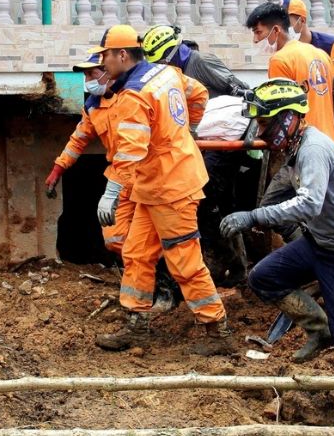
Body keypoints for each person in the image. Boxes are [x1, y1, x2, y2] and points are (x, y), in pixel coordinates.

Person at [219, 79, 334, 427]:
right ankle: (319, 329)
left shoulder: (313, 149)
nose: (261, 129)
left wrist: (254, 216)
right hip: (320, 244)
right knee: (265, 277)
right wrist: (265, 212)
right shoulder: (294, 149)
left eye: (265, 122)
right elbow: (278, 195)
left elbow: (309, 202)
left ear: (288, 118)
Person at [85, 25, 231, 354]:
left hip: (169, 187)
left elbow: (130, 151)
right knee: (137, 254)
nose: (102, 62)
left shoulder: (134, 95)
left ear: (122, 55)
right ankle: (137, 325)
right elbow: (199, 94)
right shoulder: (166, 74)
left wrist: (110, 193)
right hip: (159, 183)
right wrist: (188, 130)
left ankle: (217, 330)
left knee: (184, 261)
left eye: (105, 55)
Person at [44, 54, 196, 309]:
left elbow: (196, 95)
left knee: (164, 242)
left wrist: (190, 131)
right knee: (115, 238)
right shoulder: (94, 105)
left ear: (107, 70)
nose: (87, 80)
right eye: (85, 75)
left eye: (91, 74)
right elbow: (78, 139)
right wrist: (59, 168)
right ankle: (152, 279)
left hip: (153, 174)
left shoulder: (133, 94)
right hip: (121, 176)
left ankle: (162, 288)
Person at [141, 25, 251, 285]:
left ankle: (227, 263)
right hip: (200, 145)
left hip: (221, 143)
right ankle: (230, 264)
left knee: (210, 200)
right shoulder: (174, 74)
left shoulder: (199, 62)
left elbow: (241, 91)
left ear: (174, 51)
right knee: (212, 204)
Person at [245, 1, 334, 143]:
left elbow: (280, 111)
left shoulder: (279, 60)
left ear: (275, 30)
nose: (255, 40)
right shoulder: (320, 53)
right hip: (330, 141)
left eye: (258, 32)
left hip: (304, 145)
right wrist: (325, 121)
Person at [141, 24, 249, 98]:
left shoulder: (201, 62)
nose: (161, 67)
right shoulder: (178, 72)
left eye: (161, 62)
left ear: (172, 52)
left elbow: (240, 90)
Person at [281, 0, 334, 84]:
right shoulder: (284, 51)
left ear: (302, 21)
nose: (282, 28)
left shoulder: (332, 45)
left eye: (286, 23)